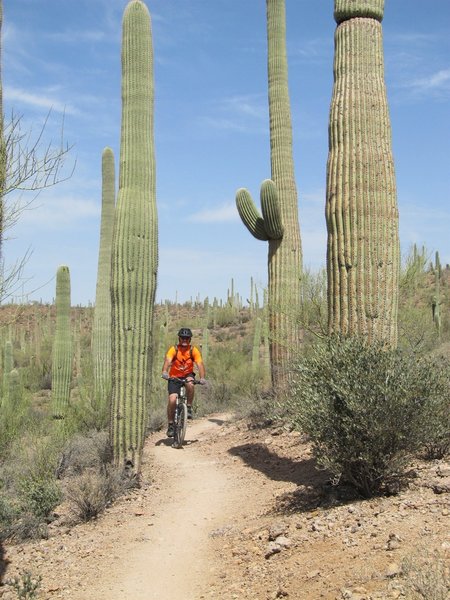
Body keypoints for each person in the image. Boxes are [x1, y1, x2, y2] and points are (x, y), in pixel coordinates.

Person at [161, 327, 206, 438]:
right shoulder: (174, 349)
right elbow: (167, 360)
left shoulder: (193, 350)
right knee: (172, 399)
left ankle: (189, 407)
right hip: (174, 377)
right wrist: (164, 371)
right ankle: (171, 424)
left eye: (187, 338)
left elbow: (199, 364)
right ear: (179, 338)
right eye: (183, 338)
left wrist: (202, 377)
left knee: (190, 383)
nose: (184, 340)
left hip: (187, 375)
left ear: (190, 339)